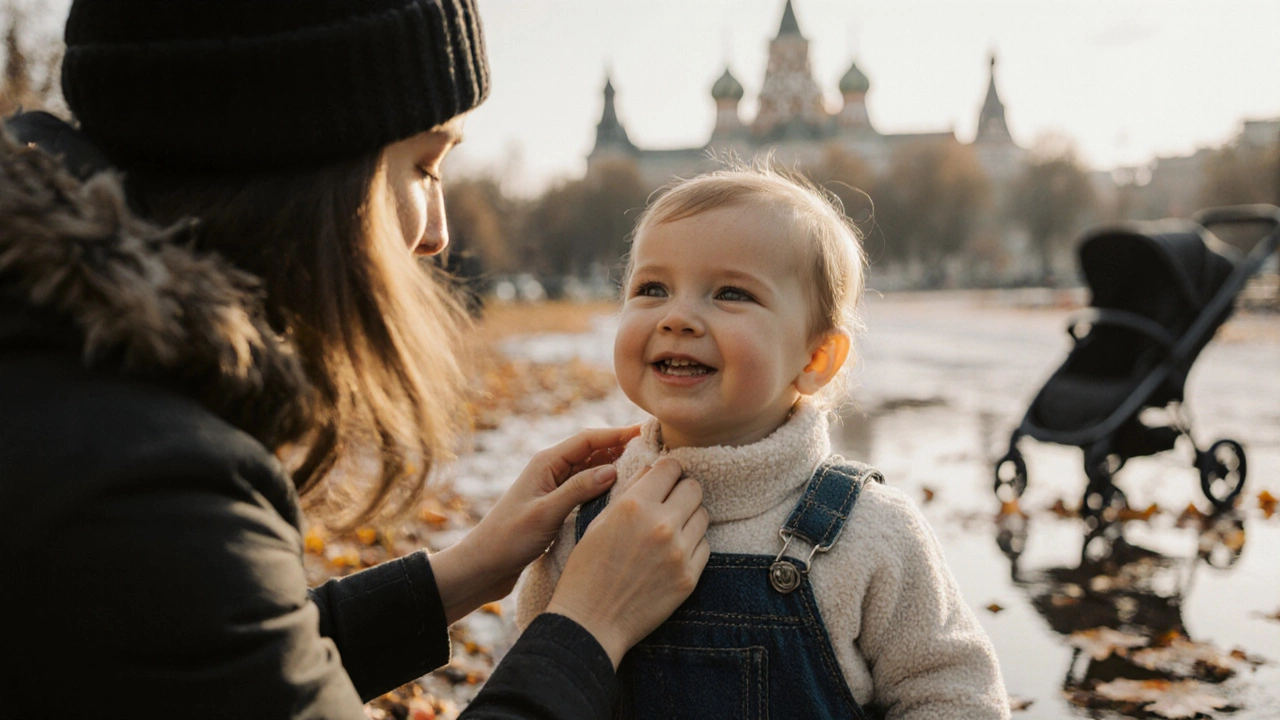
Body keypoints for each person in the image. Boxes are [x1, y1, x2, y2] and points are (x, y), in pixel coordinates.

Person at [0, 1, 709, 718]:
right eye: (424, 167)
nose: (438, 233)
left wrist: (464, 574)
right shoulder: (139, 484)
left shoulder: (66, 381)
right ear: (298, 165)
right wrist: (588, 626)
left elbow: (206, 657)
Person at [518, 162, 1011, 719]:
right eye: (652, 288)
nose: (678, 316)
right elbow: (539, 679)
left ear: (816, 358)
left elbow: (952, 692)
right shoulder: (586, 522)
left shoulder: (871, 531)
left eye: (730, 293)